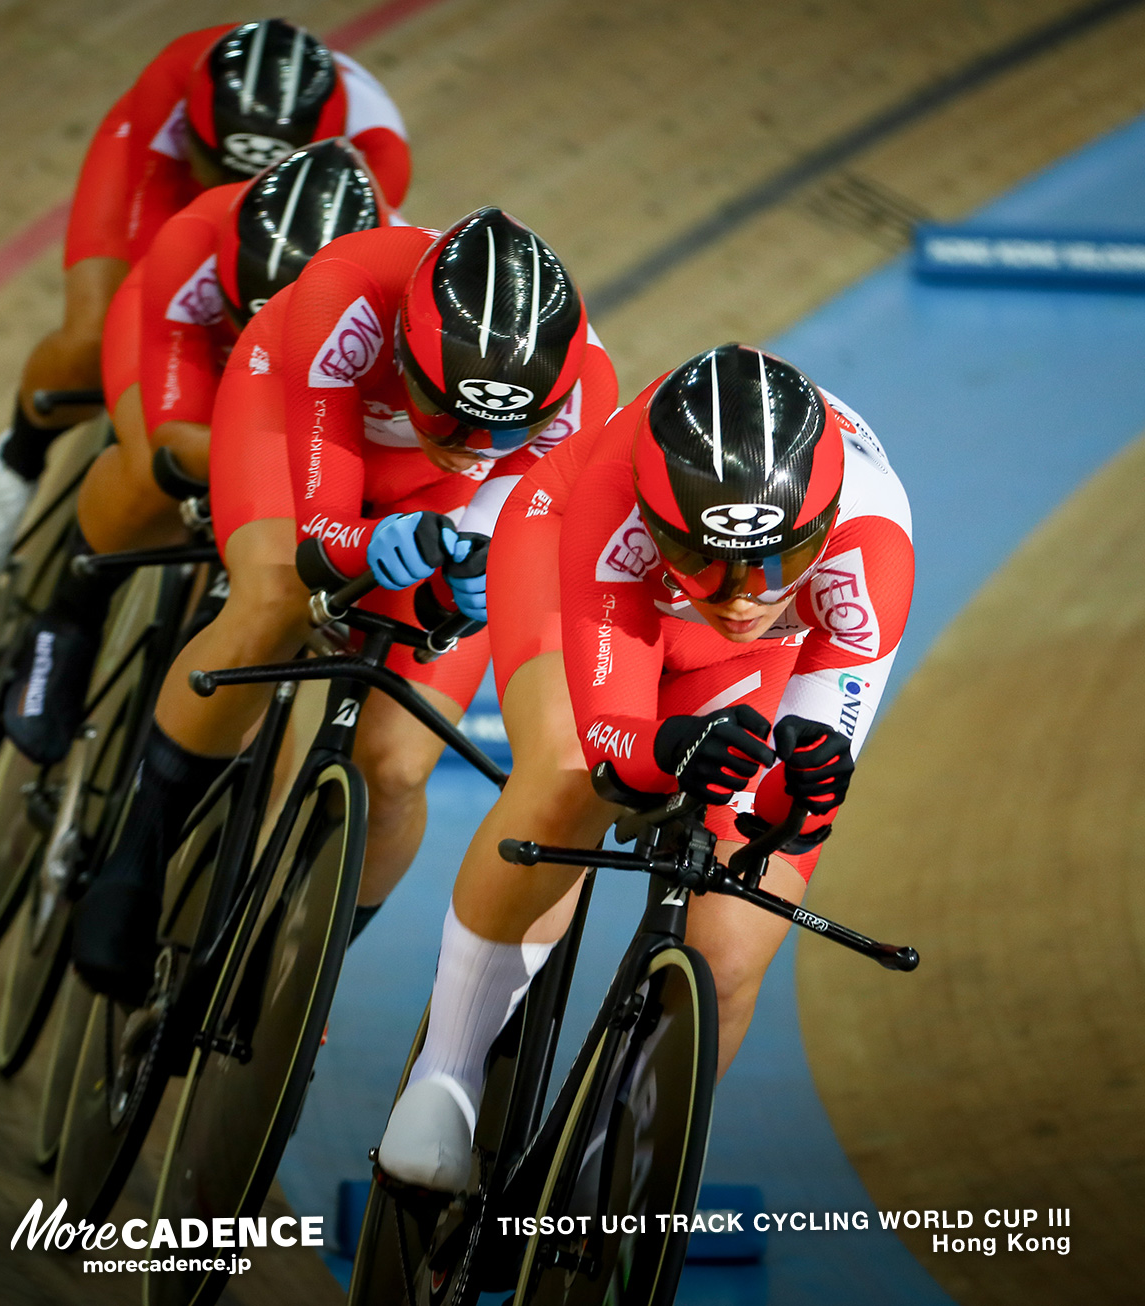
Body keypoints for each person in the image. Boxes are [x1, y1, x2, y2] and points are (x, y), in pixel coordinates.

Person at [376, 343, 914, 1192]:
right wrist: (663, 748)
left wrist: (801, 787)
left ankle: (610, 1182)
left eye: (775, 565)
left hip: (759, 658)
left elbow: (800, 801)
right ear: (663, 527)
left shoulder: (872, 546)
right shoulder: (614, 494)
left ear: (819, 532)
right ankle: (444, 1077)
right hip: (577, 567)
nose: (740, 593)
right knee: (563, 777)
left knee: (735, 942)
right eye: (706, 557)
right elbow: (611, 744)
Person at [71, 208, 619, 1006]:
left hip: (446, 505)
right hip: (300, 428)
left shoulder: (582, 398)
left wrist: (464, 586)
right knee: (273, 599)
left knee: (395, 768)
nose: (474, 442)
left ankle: (294, 965)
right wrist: (367, 545)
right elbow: (324, 525)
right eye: (450, 415)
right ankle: (136, 860)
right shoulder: (347, 293)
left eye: (506, 430)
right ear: (403, 351)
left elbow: (506, 542)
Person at [0, 19, 412, 600]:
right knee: (96, 335)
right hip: (177, 199)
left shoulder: (378, 153)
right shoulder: (171, 91)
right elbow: (153, 270)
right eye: (230, 166)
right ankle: (17, 460)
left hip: (283, 237)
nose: (244, 183)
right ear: (199, 135)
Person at [2, 138, 392, 764]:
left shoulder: (393, 281)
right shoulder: (196, 238)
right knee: (157, 466)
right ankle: (67, 620)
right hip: (195, 352)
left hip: (314, 392)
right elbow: (175, 433)